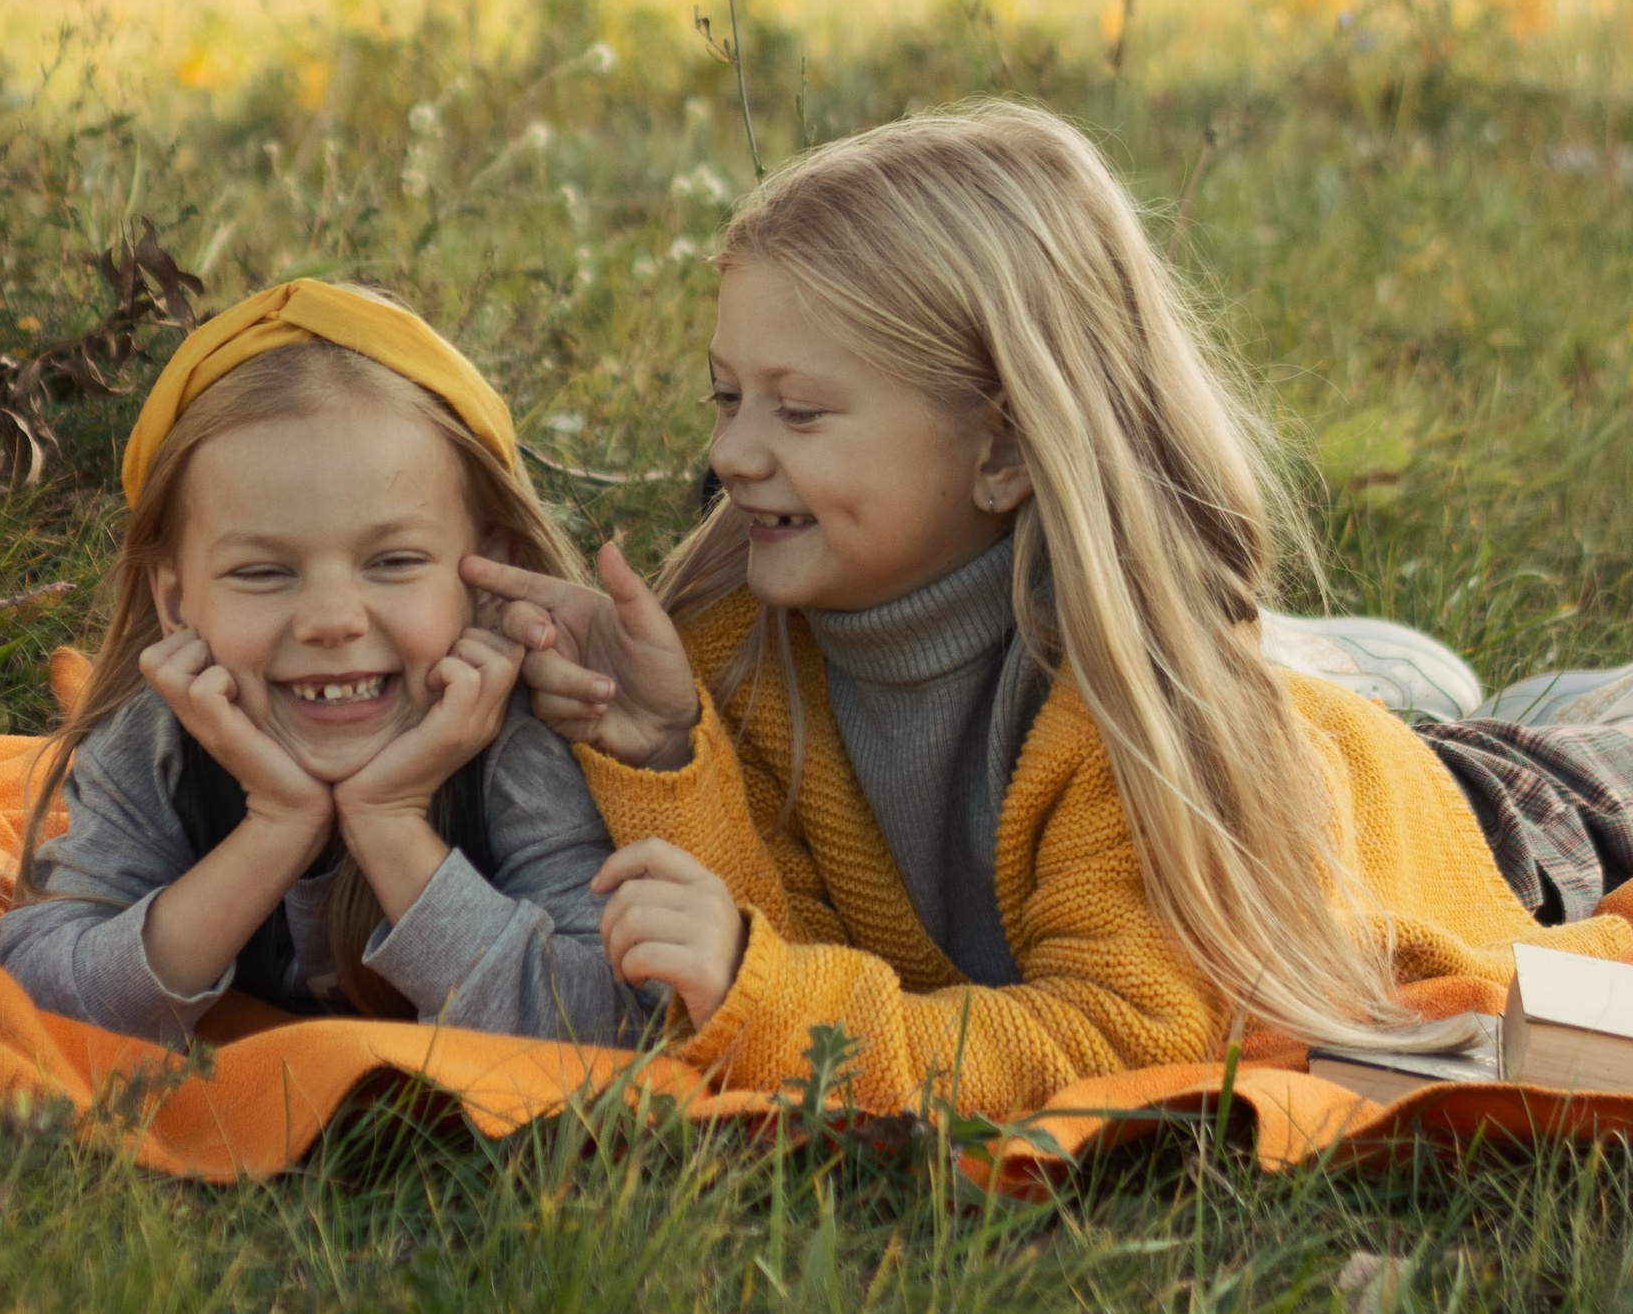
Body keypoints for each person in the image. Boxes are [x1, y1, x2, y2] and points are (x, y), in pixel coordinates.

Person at [467, 103, 1633, 1115]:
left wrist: (762, 992)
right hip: (1284, 740)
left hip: (1465, 830)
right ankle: (1382, 674)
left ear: (1004, 449)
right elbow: (798, 949)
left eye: (800, 413)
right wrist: (670, 753)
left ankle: (1425, 693)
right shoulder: (740, 649)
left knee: (1582, 756)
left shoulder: (1129, 719)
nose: (731, 453)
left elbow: (1120, 1039)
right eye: (725, 397)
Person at [0, 279, 650, 1047]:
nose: (333, 621)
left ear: (487, 577)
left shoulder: (520, 741)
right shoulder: (159, 738)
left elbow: (609, 1024)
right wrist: (276, 825)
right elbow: (44, 993)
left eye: (395, 561)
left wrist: (391, 823)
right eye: (263, 572)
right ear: (175, 603)